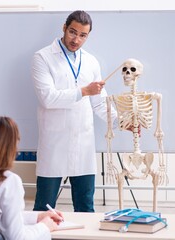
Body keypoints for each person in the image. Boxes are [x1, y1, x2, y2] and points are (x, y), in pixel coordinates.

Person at [32, 10, 117, 212]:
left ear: (88, 36)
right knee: (44, 208)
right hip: (54, 143)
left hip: (83, 143)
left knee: (86, 207)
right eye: (72, 32)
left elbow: (99, 102)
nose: (76, 39)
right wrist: (84, 91)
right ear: (64, 28)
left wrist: (120, 121)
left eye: (82, 35)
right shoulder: (42, 57)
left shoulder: (90, 61)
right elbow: (48, 98)